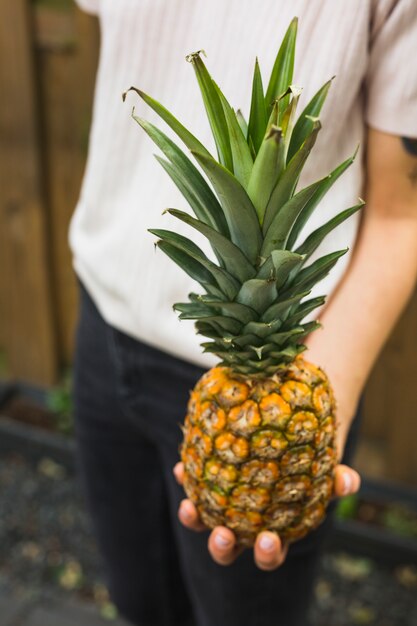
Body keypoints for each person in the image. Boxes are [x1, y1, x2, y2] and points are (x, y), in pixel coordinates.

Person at [72, 1, 417, 625]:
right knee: (140, 605)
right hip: (101, 315)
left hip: (302, 364)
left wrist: (316, 419)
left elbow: (403, 209)